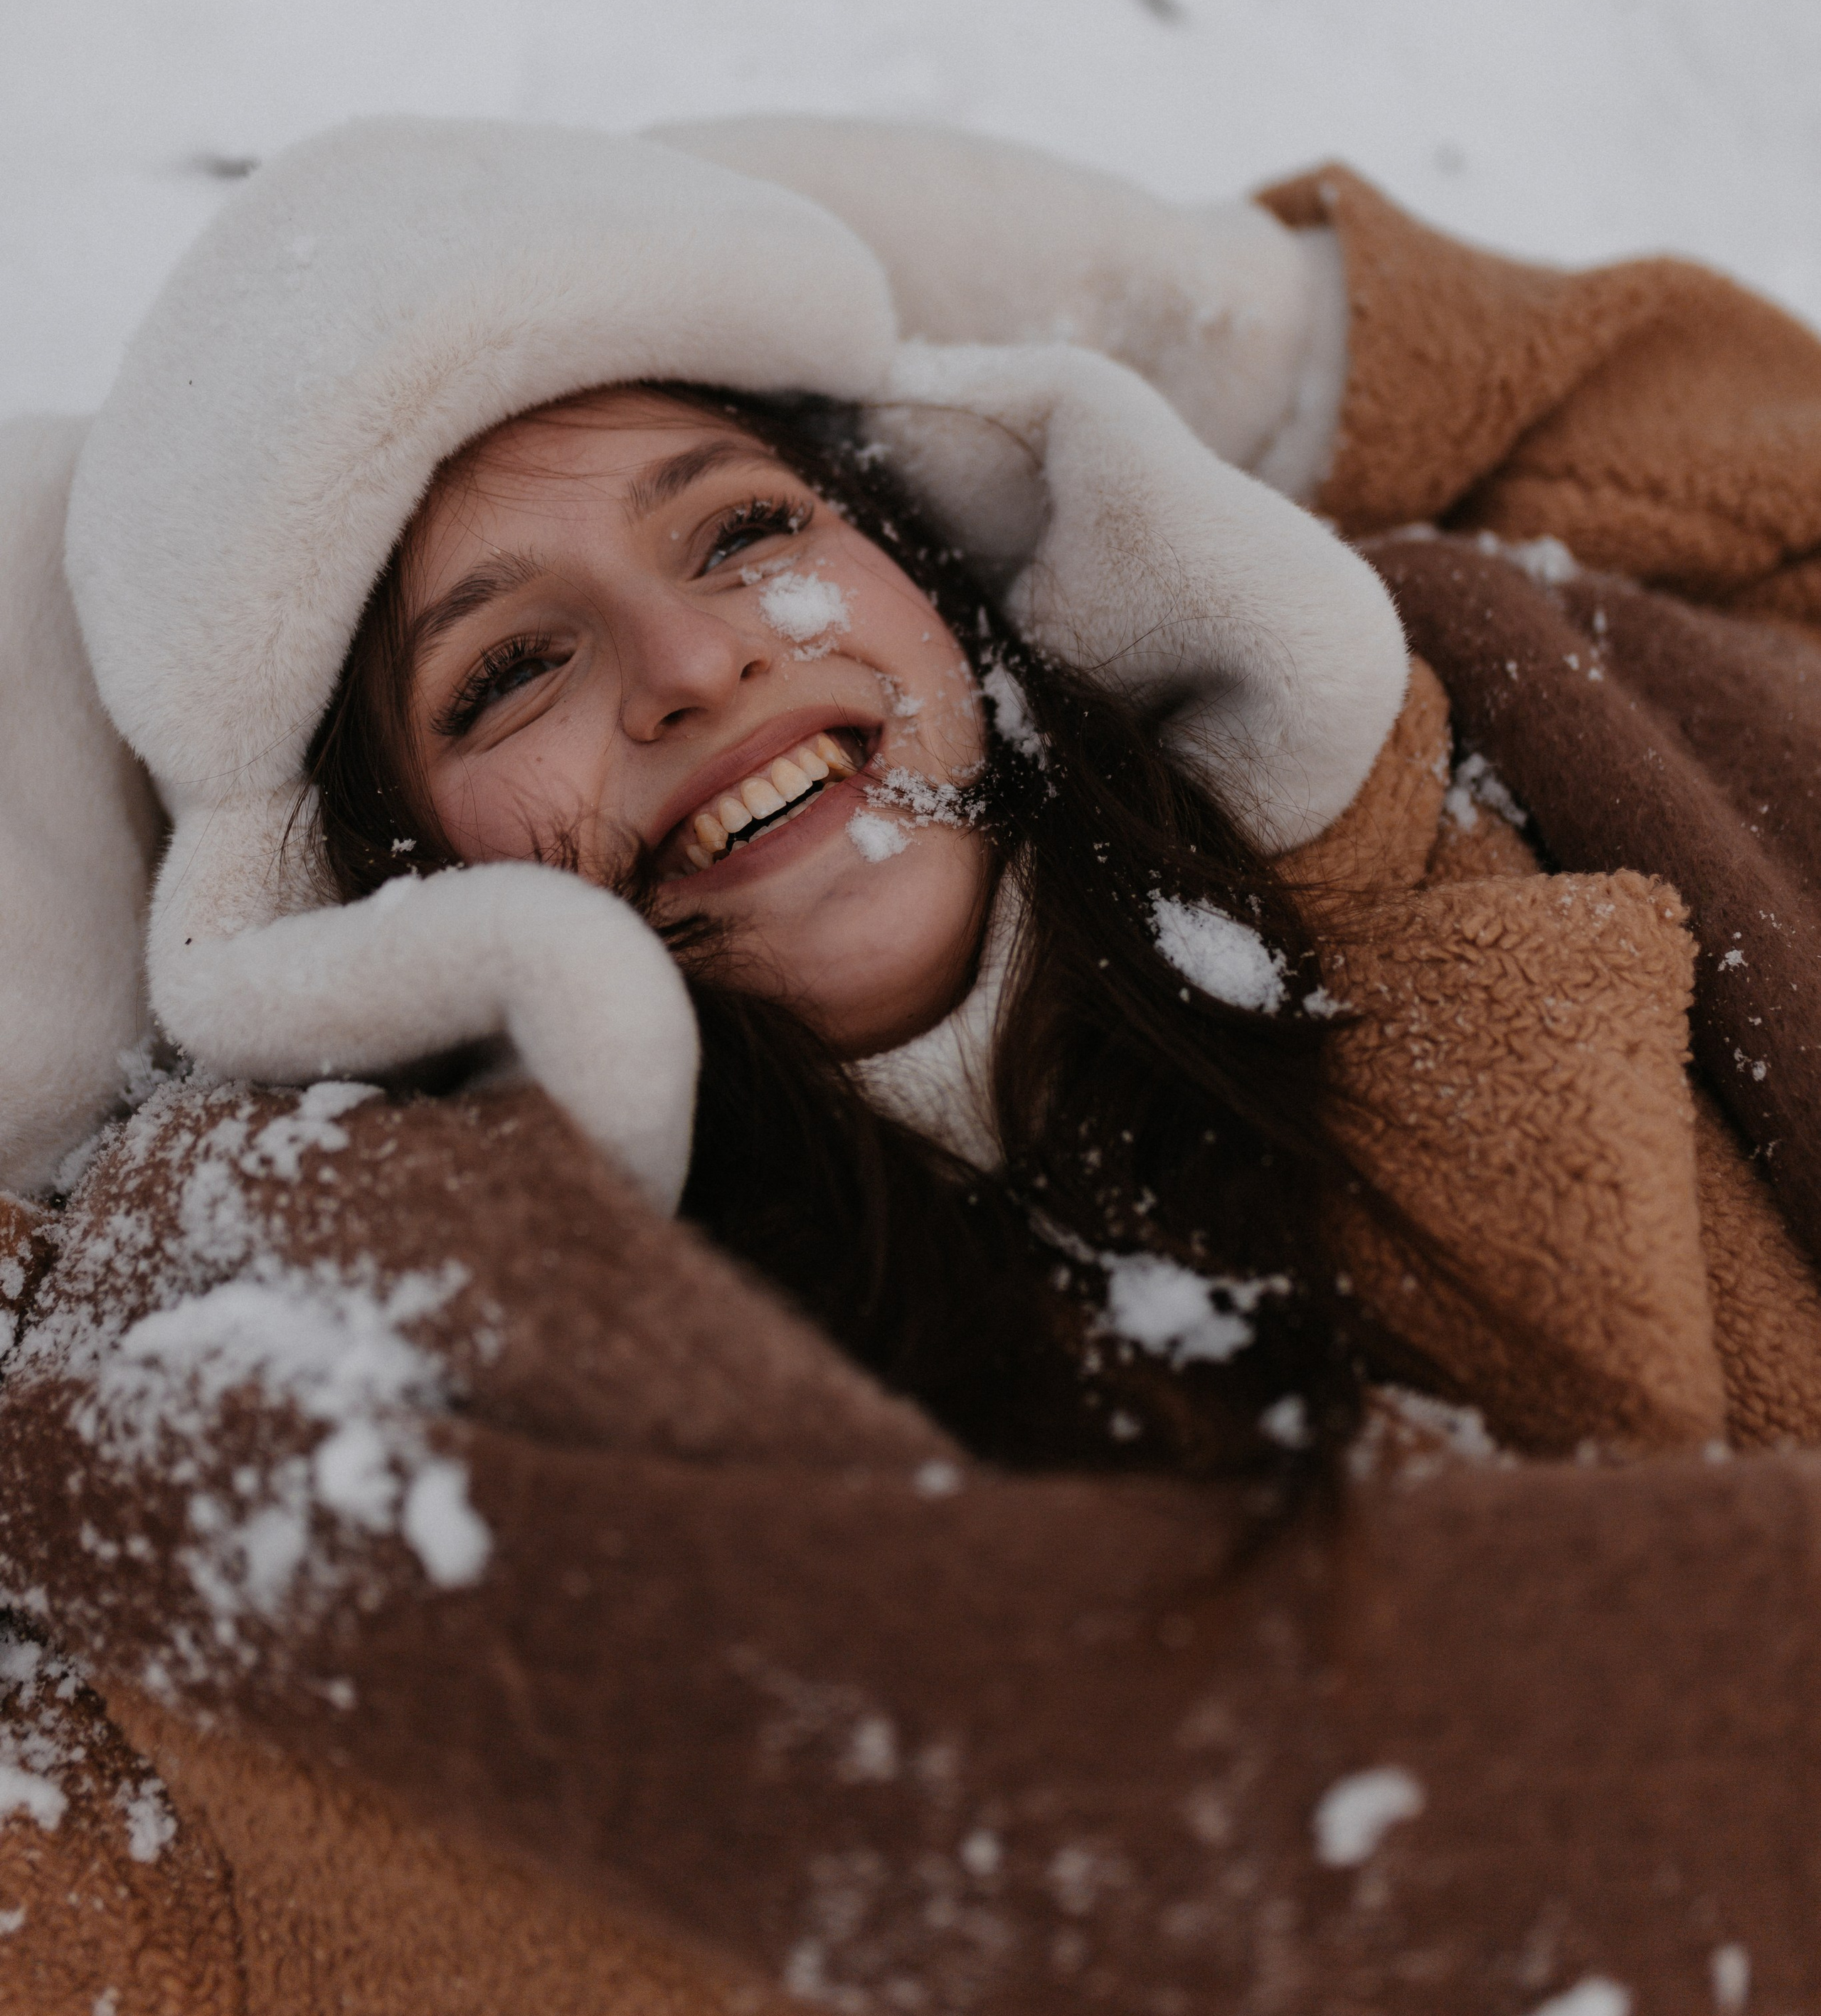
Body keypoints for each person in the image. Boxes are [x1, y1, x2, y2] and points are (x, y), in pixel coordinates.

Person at [52, 115, 1411, 1483]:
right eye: (513, 670)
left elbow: (1510, 364)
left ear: (931, 569)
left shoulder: (1481, 813)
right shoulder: (365, 1380)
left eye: (746, 530)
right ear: (386, 897)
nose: (697, 662)